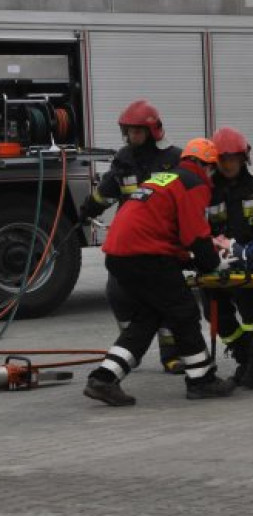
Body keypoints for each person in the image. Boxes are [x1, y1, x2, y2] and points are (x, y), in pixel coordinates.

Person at [84, 138, 235, 406]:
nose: (214, 175)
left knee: (148, 318)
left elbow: (163, 227)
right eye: (213, 168)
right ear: (205, 165)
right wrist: (214, 264)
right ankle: (202, 381)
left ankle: (104, 379)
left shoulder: (165, 178)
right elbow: (195, 233)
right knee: (184, 312)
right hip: (145, 256)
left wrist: (187, 261)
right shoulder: (194, 182)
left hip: (120, 255)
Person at [78, 99, 183, 374]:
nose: (133, 136)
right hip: (130, 240)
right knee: (117, 293)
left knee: (165, 297)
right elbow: (108, 190)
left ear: (153, 131)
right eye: (129, 131)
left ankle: (171, 354)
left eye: (138, 131)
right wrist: (88, 208)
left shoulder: (172, 159)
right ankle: (131, 345)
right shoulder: (124, 159)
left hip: (161, 240)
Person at [201, 127, 253, 389]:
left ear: (243, 158)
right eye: (223, 159)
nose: (228, 164)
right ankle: (244, 355)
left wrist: (252, 252)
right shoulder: (207, 190)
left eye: (233, 159)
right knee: (214, 314)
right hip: (215, 263)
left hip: (248, 263)